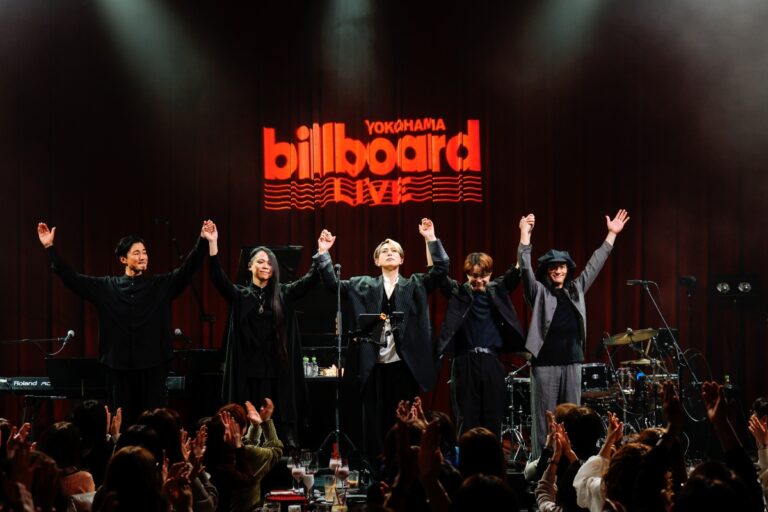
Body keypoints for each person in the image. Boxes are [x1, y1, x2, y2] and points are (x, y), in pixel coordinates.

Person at [37, 221, 209, 425]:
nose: (143, 256)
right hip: (118, 369)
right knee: (122, 421)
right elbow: (73, 279)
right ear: (123, 259)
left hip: (153, 368)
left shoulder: (160, 286)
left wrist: (203, 241)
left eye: (144, 252)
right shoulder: (106, 287)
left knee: (155, 423)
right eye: (136, 253)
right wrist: (50, 248)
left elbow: (187, 269)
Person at [314, 219, 449, 463]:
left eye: (394, 250)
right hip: (373, 367)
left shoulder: (415, 284)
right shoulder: (363, 285)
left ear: (402, 259)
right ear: (376, 261)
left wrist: (430, 238)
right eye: (384, 251)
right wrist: (323, 252)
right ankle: (375, 470)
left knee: (405, 422)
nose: (389, 252)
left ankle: (405, 467)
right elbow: (333, 285)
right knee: (375, 424)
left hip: (404, 368)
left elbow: (441, 270)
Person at [517, 210, 629, 458]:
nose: (557, 270)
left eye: (561, 266)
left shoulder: (576, 289)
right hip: (544, 363)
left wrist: (611, 235)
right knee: (545, 420)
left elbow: (595, 264)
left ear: (568, 269)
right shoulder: (538, 292)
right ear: (547, 271)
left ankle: (573, 465)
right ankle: (542, 465)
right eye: (553, 267)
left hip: (572, 361)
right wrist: (525, 235)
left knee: (574, 419)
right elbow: (525, 269)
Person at [202, 221, 317, 446]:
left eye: (269, 263)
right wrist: (213, 243)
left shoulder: (283, 294)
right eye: (260, 261)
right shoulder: (240, 296)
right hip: (248, 372)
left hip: (277, 372)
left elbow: (309, 282)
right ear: (250, 266)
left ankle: (280, 450)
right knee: (248, 414)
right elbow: (217, 278)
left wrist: (321, 253)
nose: (266, 266)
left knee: (277, 415)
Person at [435, 251, 526, 439]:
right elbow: (438, 274)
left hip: (492, 362)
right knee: (467, 420)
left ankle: (491, 458)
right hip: (464, 363)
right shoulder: (459, 292)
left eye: (483, 275)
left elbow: (517, 270)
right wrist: (430, 239)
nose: (479, 280)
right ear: (467, 274)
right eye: (474, 276)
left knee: (493, 419)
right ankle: (467, 458)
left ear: (490, 274)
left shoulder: (497, 291)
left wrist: (526, 237)